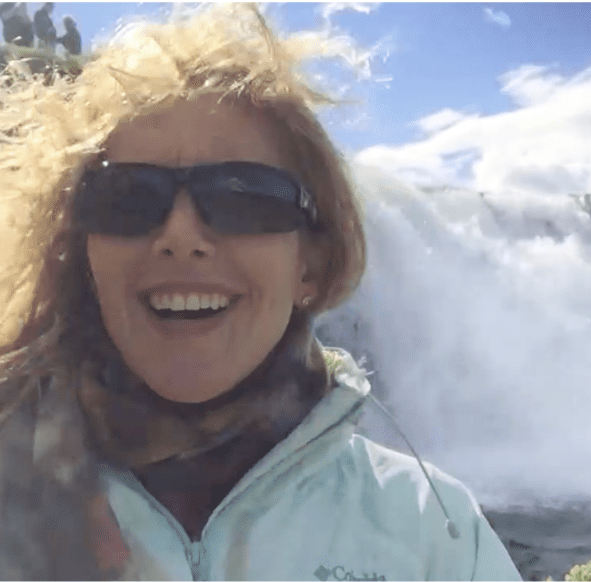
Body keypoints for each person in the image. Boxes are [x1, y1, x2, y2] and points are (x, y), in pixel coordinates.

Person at [0, 4, 522, 580]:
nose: (179, 236)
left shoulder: (433, 528)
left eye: (244, 197)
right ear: (79, 251)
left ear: (311, 266)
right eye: (126, 197)